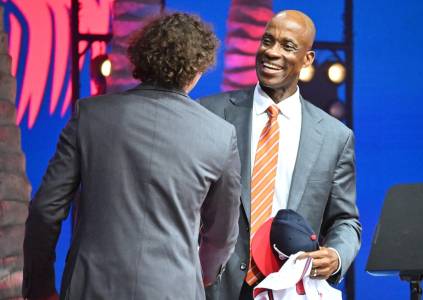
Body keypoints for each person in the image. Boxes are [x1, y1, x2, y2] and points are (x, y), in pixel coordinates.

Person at [23, 13, 241, 300]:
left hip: (90, 288)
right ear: (199, 67)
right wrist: (201, 275)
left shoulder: (90, 116)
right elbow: (222, 234)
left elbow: (45, 209)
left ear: (142, 58)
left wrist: (39, 286)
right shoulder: (220, 135)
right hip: (175, 290)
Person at [199, 10, 361, 300]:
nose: (272, 53)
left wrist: (336, 255)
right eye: (267, 41)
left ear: (308, 59)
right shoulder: (210, 114)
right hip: (212, 287)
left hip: (289, 288)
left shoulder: (335, 137)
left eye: (287, 46)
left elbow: (345, 220)